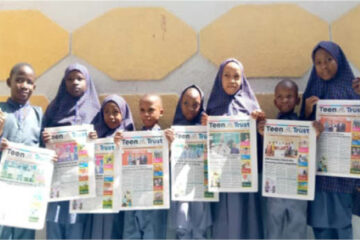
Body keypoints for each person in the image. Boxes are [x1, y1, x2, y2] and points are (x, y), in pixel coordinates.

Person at [300, 41, 360, 239]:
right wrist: (307, 112)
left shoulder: (353, 89)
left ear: (339, 60)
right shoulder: (312, 92)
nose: (323, 66)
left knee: (342, 226)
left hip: (342, 176)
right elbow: (299, 135)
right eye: (318, 62)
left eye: (329, 60)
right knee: (320, 227)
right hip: (318, 176)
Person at [201, 58, 265, 239]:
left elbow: (261, 144)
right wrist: (205, 127)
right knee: (223, 220)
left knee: (246, 219)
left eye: (236, 76)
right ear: (219, 79)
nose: (232, 80)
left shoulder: (251, 107)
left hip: (244, 175)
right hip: (221, 177)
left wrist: (259, 125)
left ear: (242, 79)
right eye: (227, 76)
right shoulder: (212, 108)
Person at [42, 63, 100, 239]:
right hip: (57, 180)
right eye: (70, 79)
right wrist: (45, 141)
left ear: (87, 82)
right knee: (54, 223)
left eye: (79, 79)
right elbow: (40, 140)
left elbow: (106, 145)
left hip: (82, 182)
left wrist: (96, 138)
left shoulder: (96, 112)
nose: (75, 82)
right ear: (64, 82)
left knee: (77, 226)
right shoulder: (54, 109)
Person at [258, 79, 322, 239]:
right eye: (280, 97)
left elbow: (308, 150)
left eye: (289, 96)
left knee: (297, 227)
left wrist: (316, 135)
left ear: (297, 100)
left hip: (297, 188)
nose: (285, 100)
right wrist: (261, 135)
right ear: (275, 101)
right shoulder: (269, 126)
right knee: (274, 228)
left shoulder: (304, 125)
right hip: (275, 188)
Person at [118, 94, 169, 239]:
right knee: (130, 233)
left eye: (151, 110)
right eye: (142, 110)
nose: (146, 114)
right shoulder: (132, 137)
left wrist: (171, 145)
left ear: (161, 112)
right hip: (133, 197)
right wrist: (117, 144)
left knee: (153, 234)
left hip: (154, 199)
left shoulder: (165, 137)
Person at [0, 63, 40, 239]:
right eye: (19, 80)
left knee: (24, 234)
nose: (24, 85)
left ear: (34, 87)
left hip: (27, 188)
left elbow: (44, 149)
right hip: (3, 187)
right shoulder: (1, 111)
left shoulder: (39, 114)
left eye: (29, 82)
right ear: (9, 82)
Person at [86, 94, 135, 239]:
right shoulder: (97, 134)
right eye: (106, 112)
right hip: (99, 195)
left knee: (115, 229)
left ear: (124, 113)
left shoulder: (129, 135)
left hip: (118, 195)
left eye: (115, 112)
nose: (111, 116)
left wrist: (119, 144)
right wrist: (91, 143)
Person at [169, 85, 212, 239]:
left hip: (200, 186)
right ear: (180, 104)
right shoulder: (174, 131)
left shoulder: (206, 128)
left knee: (200, 226)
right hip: (181, 186)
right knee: (182, 220)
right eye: (185, 103)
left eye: (196, 105)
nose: (190, 108)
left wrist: (210, 129)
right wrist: (168, 144)